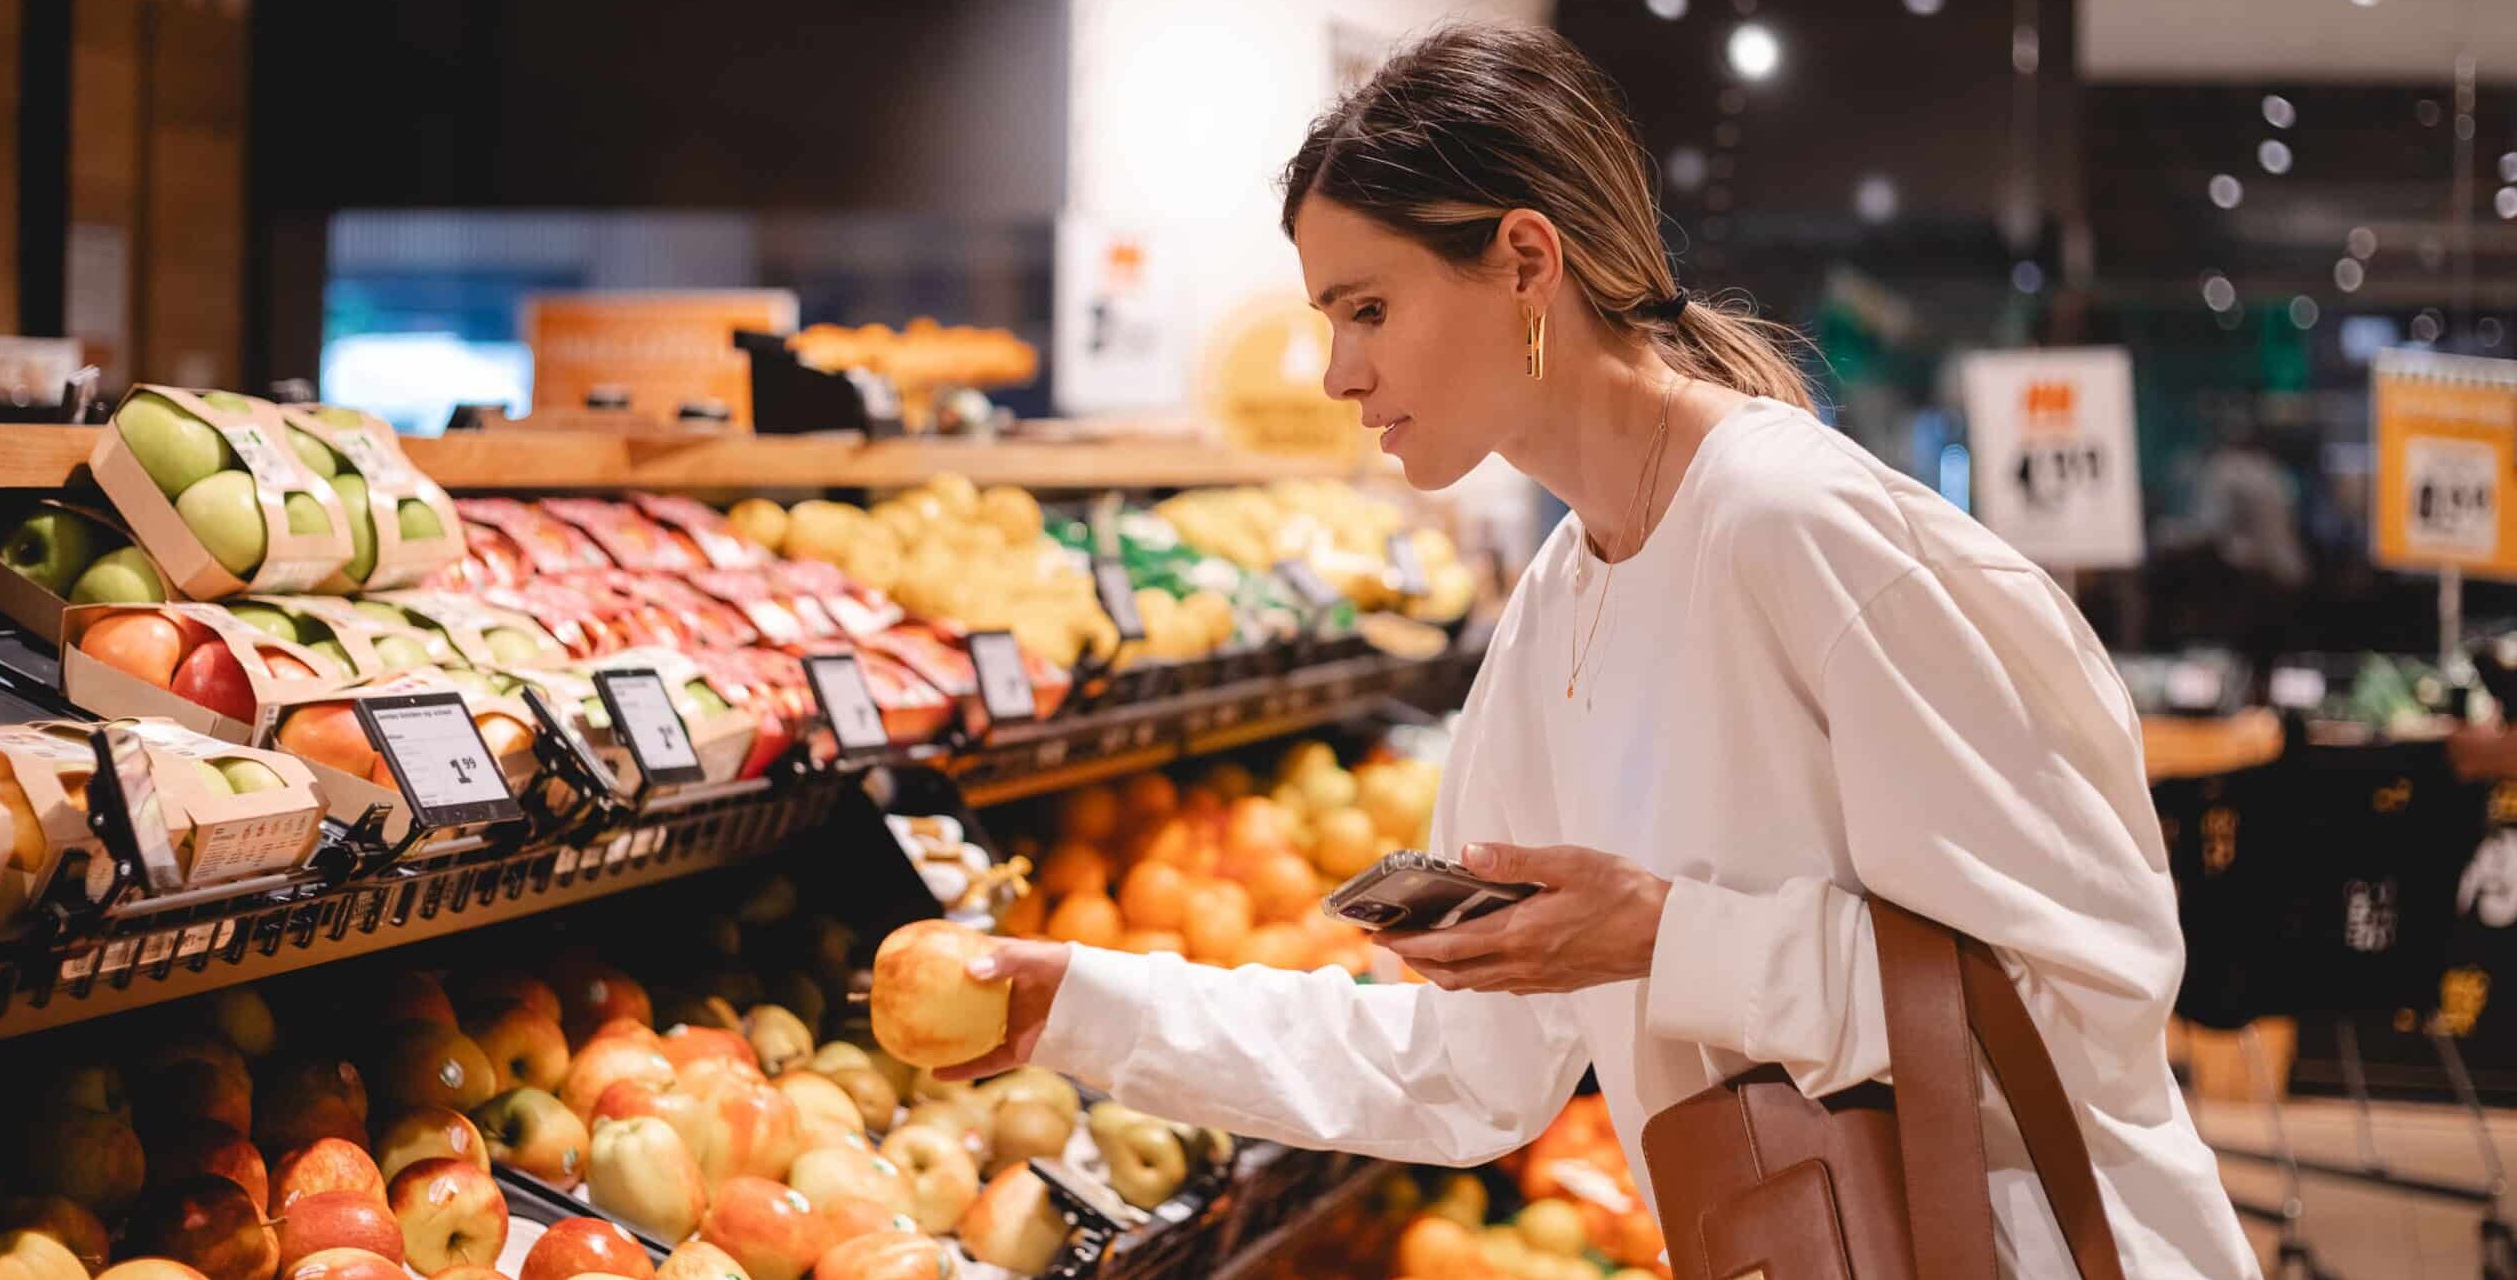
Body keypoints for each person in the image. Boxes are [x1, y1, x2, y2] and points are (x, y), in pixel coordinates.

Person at [948, 24, 2255, 1279]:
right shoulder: (1558, 606)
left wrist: (1668, 939)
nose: (1338, 372)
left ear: (1525, 262)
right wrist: (1076, 1005)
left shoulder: (1794, 526)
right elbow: (1468, 1073)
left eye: (1367, 308)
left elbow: (2092, 990)